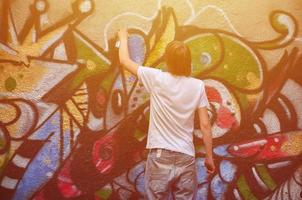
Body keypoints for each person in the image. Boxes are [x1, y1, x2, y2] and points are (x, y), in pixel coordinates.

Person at [117, 28, 215, 200]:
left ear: (168, 60)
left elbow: (124, 60)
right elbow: (205, 125)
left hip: (160, 155)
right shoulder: (197, 86)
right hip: (186, 155)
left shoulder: (157, 78)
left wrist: (123, 37)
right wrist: (209, 157)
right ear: (188, 62)